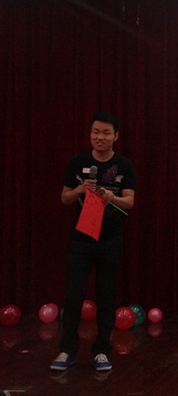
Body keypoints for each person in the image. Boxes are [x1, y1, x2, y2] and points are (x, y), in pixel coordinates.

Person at [51, 113, 136, 372]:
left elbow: (129, 202)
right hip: (81, 239)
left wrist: (113, 198)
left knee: (106, 297)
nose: (100, 137)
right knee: (73, 295)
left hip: (110, 239)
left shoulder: (124, 165)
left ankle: (101, 351)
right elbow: (65, 197)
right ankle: (67, 350)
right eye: (95, 132)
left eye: (106, 133)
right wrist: (80, 189)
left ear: (115, 136)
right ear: (90, 134)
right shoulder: (78, 162)